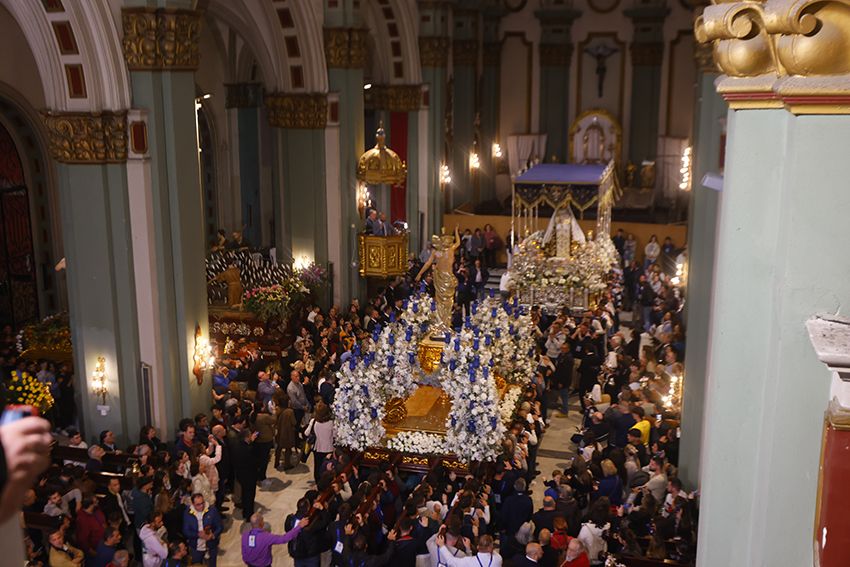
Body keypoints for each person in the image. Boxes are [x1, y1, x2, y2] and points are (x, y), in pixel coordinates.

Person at [242, 512, 308, 567]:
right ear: (261, 523)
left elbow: (244, 554)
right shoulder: (266, 537)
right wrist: (299, 527)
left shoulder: (245, 536)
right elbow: (284, 538)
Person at [182, 493, 223, 567]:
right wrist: (198, 534)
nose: (201, 506)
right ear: (193, 504)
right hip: (196, 547)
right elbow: (186, 531)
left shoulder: (212, 510)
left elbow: (220, 526)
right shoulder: (187, 513)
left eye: (202, 503)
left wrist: (213, 535)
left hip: (211, 545)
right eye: (198, 504)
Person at [434, 533, 503, 567]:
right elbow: (492, 551)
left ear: (478, 547)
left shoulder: (469, 561)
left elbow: (450, 561)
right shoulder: (498, 559)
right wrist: (468, 549)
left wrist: (442, 546)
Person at [310, 402, 334, 484]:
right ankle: (327, 483)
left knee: (318, 467)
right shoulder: (331, 423)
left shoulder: (314, 422)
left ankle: (318, 483)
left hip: (318, 448)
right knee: (328, 468)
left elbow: (306, 433)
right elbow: (336, 435)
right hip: (329, 449)